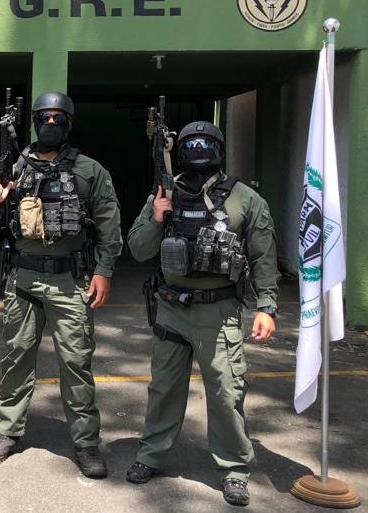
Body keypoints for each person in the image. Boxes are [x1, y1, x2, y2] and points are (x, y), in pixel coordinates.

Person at [125, 120, 279, 508]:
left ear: (218, 149)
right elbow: (138, 250)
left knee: (227, 393)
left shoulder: (244, 198)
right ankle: (151, 455)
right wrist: (158, 216)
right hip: (171, 308)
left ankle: (234, 470)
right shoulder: (164, 193)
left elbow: (264, 257)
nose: (197, 149)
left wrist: (267, 307)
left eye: (205, 143)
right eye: (189, 143)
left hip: (219, 311)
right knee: (163, 389)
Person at [0, 92, 122, 479]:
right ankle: (8, 431)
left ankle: (85, 443)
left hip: (69, 280)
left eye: (59, 118)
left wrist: (104, 270)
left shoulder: (89, 171)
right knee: (16, 358)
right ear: (34, 122)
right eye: (44, 117)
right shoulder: (12, 168)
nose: (51, 124)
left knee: (76, 362)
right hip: (23, 277)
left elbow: (109, 225)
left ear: (69, 123)